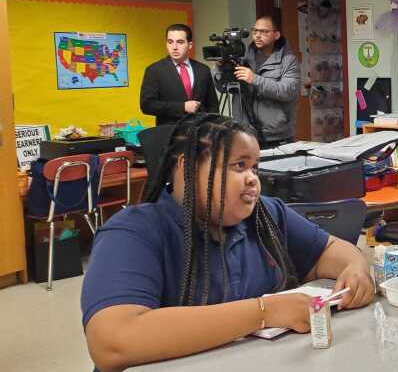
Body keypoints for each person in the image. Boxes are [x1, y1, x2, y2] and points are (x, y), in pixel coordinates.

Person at [81, 114, 374, 372]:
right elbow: (112, 341)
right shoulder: (133, 232)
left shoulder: (266, 214)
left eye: (255, 167)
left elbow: (328, 250)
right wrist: (264, 312)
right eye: (239, 165)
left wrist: (355, 268)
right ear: (187, 167)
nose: (253, 179)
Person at [221, 15, 300, 148]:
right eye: (255, 31)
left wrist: (255, 79)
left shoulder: (288, 60)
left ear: (276, 35)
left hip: (277, 135)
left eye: (264, 32)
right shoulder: (242, 59)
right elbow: (223, 88)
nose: (258, 35)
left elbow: (288, 91)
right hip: (245, 134)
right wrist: (220, 67)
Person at [140, 24, 219, 125]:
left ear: (190, 45)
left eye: (180, 42)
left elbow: (213, 105)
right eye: (170, 42)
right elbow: (147, 105)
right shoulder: (154, 70)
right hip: (170, 131)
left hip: (199, 130)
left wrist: (211, 128)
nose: (174, 47)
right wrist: (182, 107)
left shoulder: (203, 70)